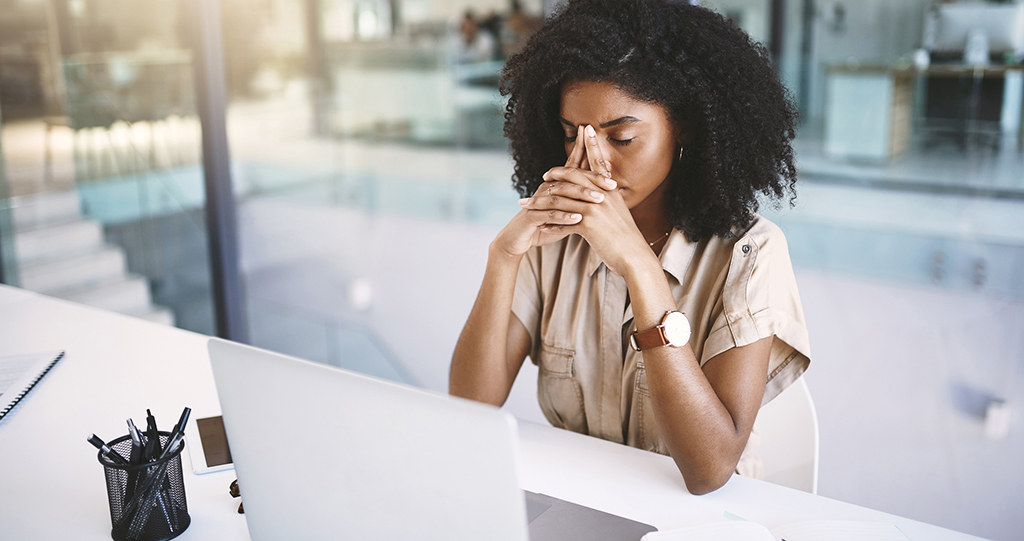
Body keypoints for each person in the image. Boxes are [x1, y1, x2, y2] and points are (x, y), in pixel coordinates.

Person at [449, 0, 811, 495]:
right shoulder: (551, 240)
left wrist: (641, 268)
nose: (593, 164)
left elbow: (709, 470)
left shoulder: (751, 253)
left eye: (621, 138)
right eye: (572, 135)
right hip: (580, 503)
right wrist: (503, 258)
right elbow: (469, 407)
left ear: (682, 127)